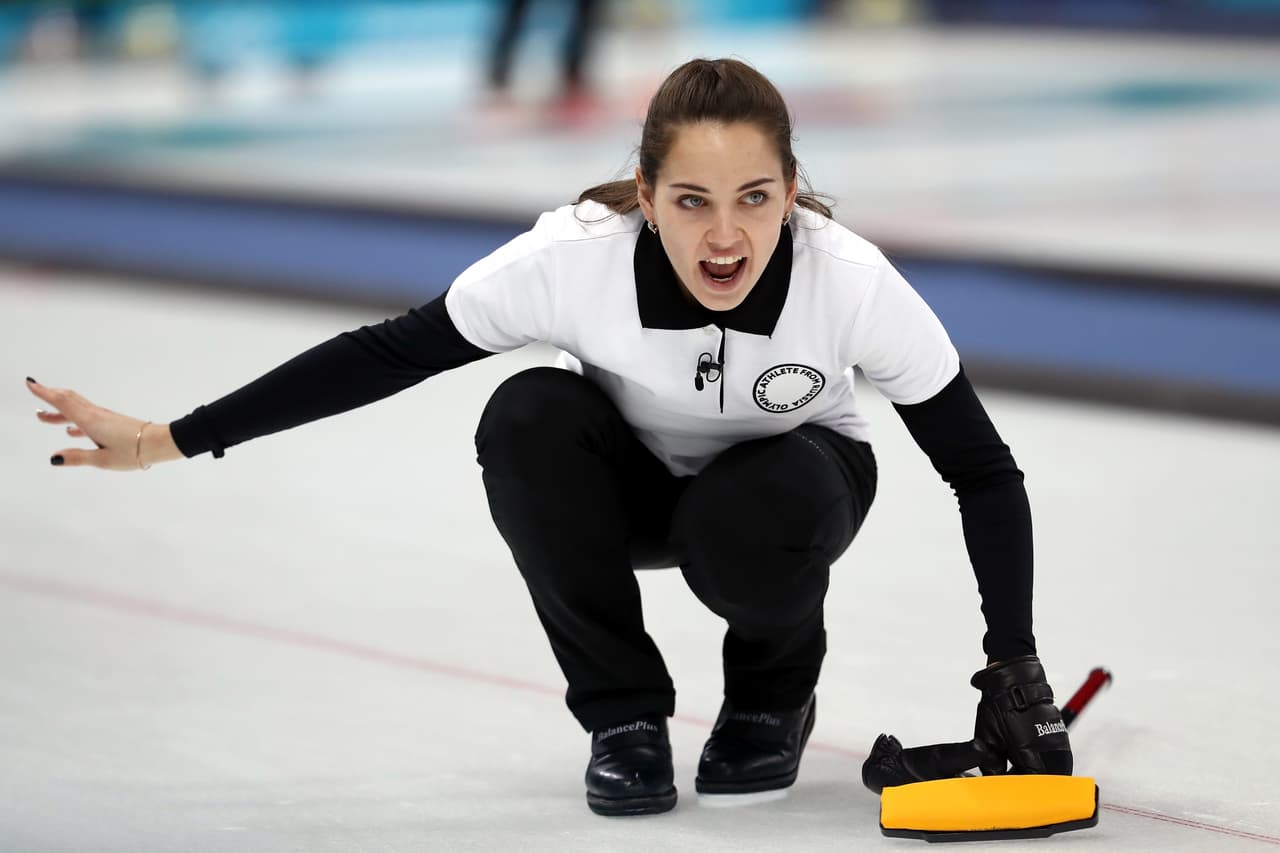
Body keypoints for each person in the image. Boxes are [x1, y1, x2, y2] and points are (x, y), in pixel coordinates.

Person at [27, 57, 1073, 818]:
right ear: (647, 198)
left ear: (791, 194)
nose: (725, 235)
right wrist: (173, 436)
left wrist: (1012, 665)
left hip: (790, 491)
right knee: (524, 413)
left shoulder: (850, 283)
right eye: (692, 200)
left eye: (755, 199)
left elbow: (979, 469)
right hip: (634, 486)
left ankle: (770, 697)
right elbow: (388, 352)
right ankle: (622, 716)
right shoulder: (569, 259)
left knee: (757, 511)